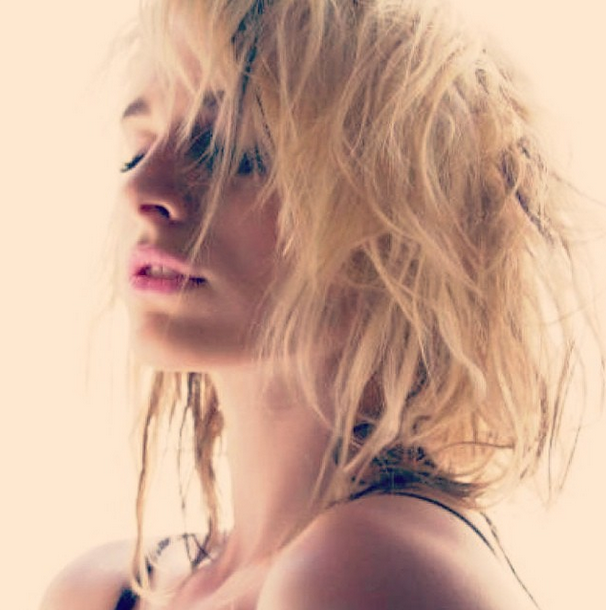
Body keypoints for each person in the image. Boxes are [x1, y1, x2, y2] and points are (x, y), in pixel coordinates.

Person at [40, 0, 602, 608]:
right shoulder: (101, 588)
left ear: (404, 232)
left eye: (237, 153)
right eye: (137, 149)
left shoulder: (365, 569)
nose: (141, 187)